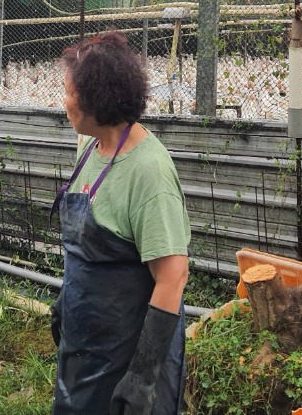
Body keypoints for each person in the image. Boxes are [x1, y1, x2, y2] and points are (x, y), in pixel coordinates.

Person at [51, 31, 191, 415]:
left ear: (94, 99)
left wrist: (143, 376)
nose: (63, 102)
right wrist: (67, 302)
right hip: (86, 349)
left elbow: (173, 276)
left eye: (68, 91)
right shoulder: (92, 147)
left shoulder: (149, 172)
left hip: (127, 355)